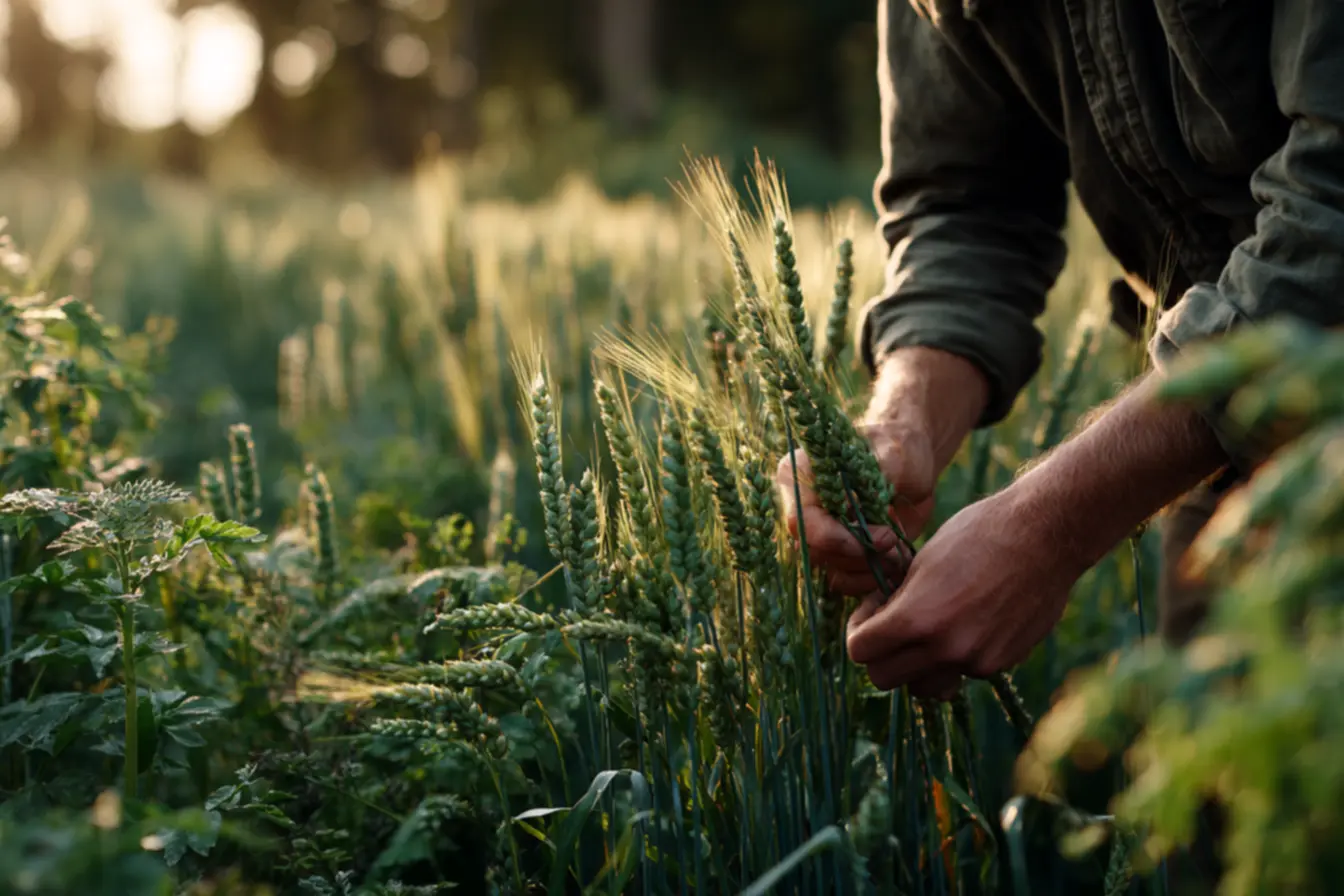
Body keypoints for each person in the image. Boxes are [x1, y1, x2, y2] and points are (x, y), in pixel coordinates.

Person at [777, 0, 1344, 700]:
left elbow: (1331, 209)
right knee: (1224, 757)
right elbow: (966, 206)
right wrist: (902, 423)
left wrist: (1052, 526)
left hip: (1280, 411)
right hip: (1224, 461)